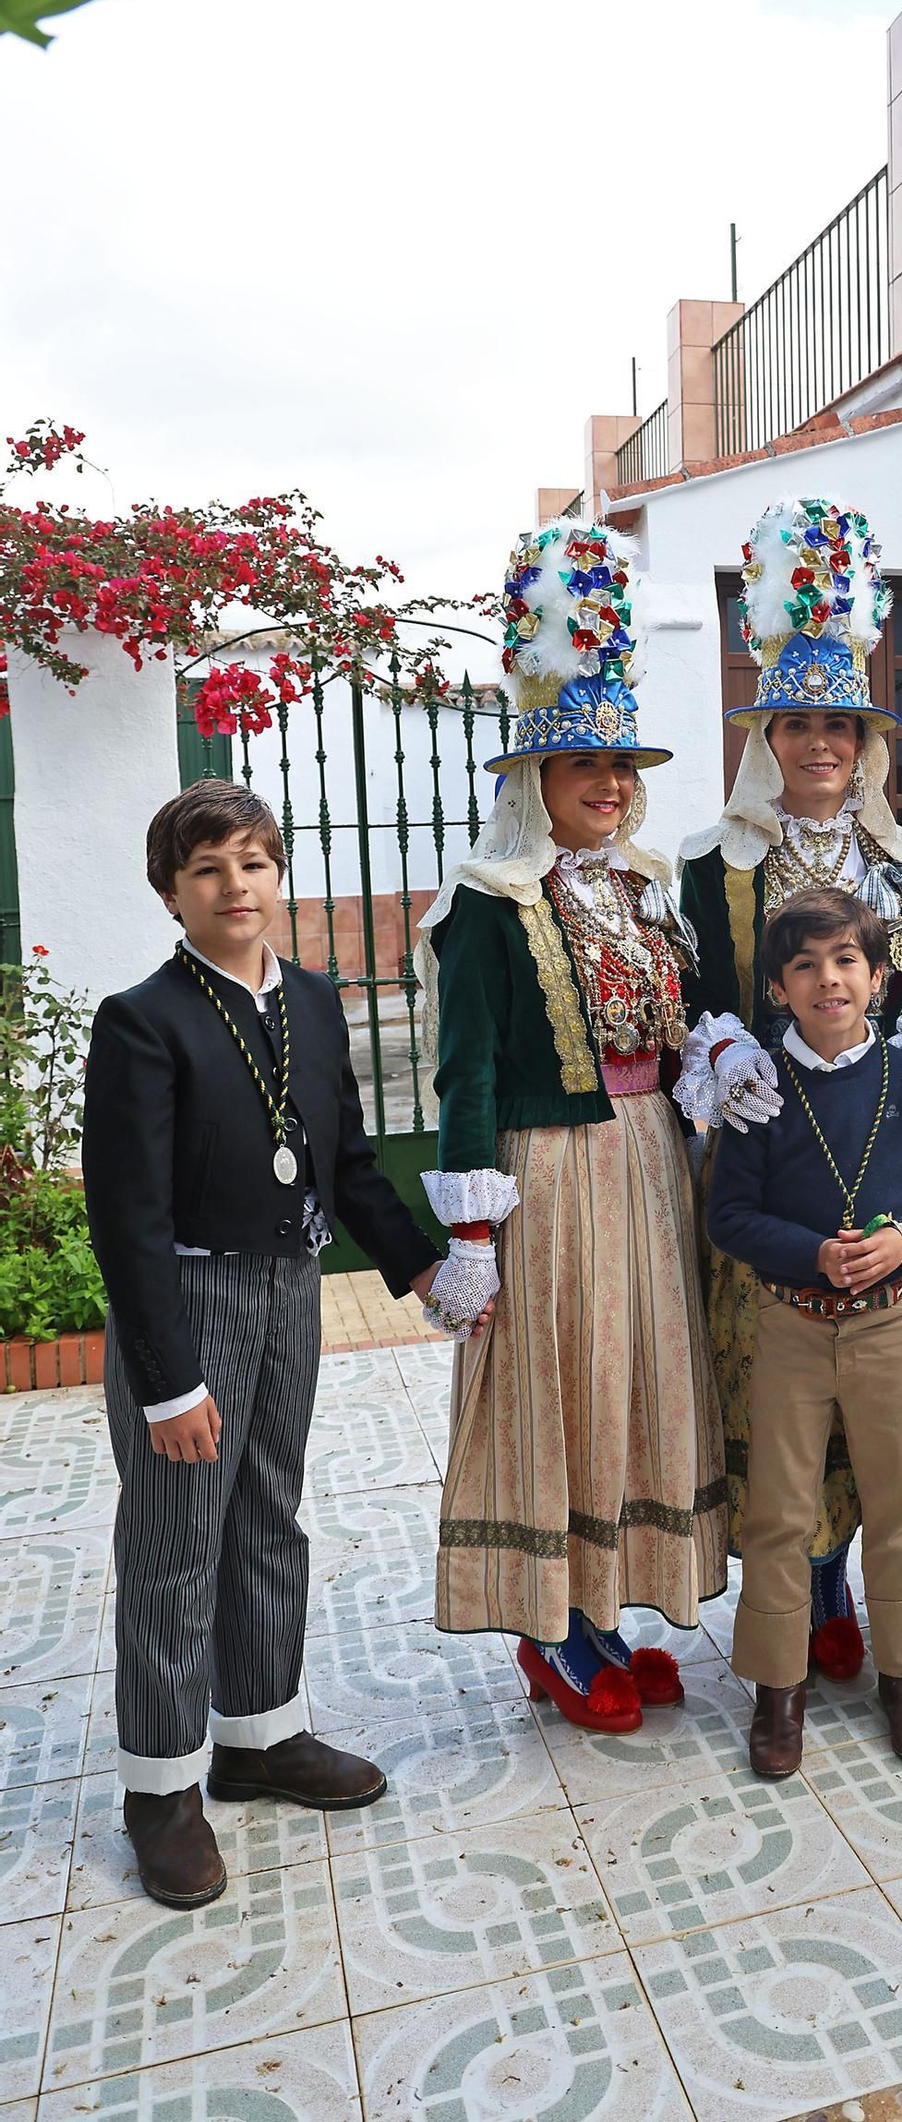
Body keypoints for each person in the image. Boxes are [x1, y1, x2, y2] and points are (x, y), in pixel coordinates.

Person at [82, 780, 447, 1909]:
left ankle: (258, 1736)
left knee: (267, 1515)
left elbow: (343, 1164)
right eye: (207, 871)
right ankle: (160, 1791)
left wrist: (422, 1263)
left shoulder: (317, 1002)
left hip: (290, 1291)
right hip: (189, 1304)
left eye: (251, 863)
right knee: (174, 1541)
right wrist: (167, 1381)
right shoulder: (145, 1019)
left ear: (279, 875)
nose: (234, 887)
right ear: (169, 894)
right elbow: (126, 1219)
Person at [419, 520, 726, 1734]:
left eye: (621, 768)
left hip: (652, 1161)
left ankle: (609, 1610)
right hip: (550, 1172)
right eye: (583, 768)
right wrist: (471, 1233)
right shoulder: (489, 902)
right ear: (531, 781)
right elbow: (468, 1076)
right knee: (564, 1386)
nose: (609, 785)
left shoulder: (644, 884)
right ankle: (556, 1631)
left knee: (639, 1380)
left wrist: (717, 1062)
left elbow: (683, 1019)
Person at [675, 497, 902, 1684]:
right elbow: (694, 986)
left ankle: (878, 1609)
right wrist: (719, 1049)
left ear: (865, 743)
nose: (819, 746)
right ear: (768, 737)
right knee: (783, 1398)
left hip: (886, 1147)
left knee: (885, 1393)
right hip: (770, 1152)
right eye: (796, 725)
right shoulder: (716, 860)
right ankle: (807, 1605)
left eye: (839, 728)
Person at [707, 888, 902, 1776]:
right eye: (806, 966)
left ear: (880, 977)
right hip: (791, 1324)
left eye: (846, 961)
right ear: (778, 988)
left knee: (898, 1502)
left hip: (888, 1324)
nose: (829, 980)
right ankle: (778, 1688)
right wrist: (810, 1252)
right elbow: (731, 1217)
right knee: (780, 1511)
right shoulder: (756, 1087)